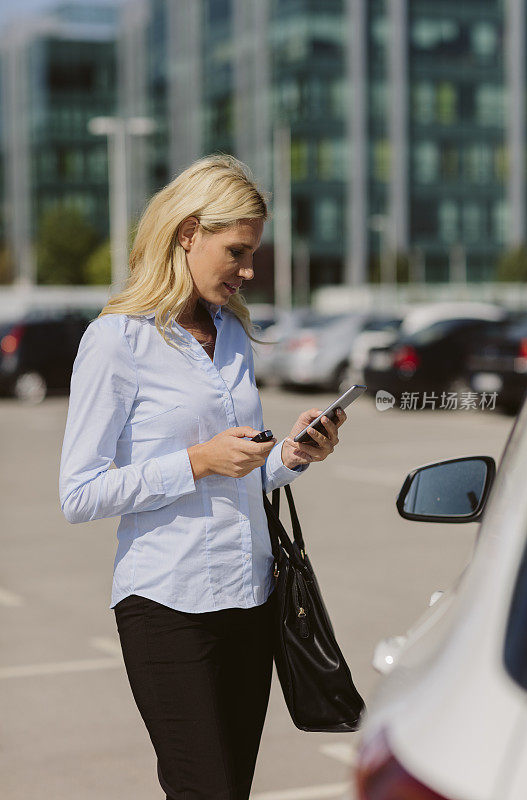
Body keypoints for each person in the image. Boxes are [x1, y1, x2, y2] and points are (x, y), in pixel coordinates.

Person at [58, 153, 347, 800]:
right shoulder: (117, 341)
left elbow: (243, 469)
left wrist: (291, 456)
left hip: (251, 599)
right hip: (166, 604)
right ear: (187, 233)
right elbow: (79, 494)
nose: (248, 271)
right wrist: (195, 462)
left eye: (254, 256)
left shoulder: (235, 335)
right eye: (237, 252)